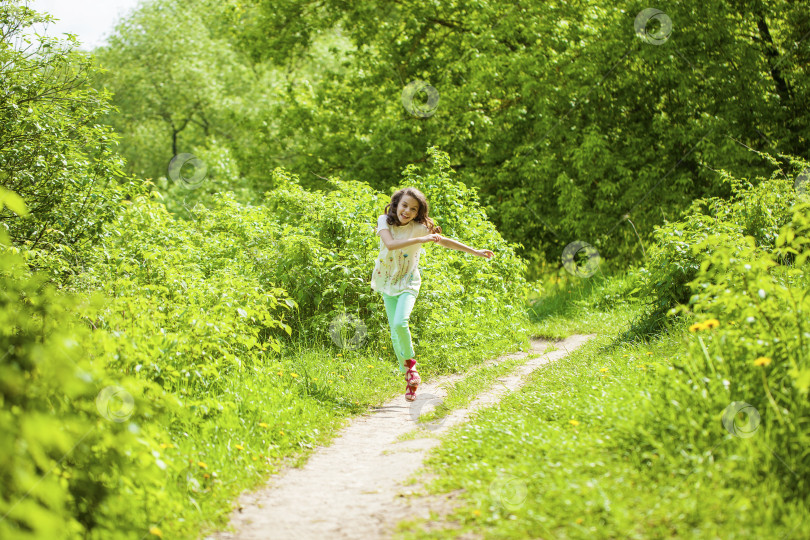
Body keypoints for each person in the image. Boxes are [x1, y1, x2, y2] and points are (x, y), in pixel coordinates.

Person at [371, 187, 495, 401]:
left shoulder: (420, 229)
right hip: (387, 281)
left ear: (418, 212)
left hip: (408, 281)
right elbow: (390, 245)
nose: (407, 211)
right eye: (404, 206)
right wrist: (422, 240)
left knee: (401, 323)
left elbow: (443, 241)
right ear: (396, 204)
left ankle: (411, 367)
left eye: (413, 209)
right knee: (394, 333)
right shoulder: (385, 221)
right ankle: (410, 380)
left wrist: (474, 251)